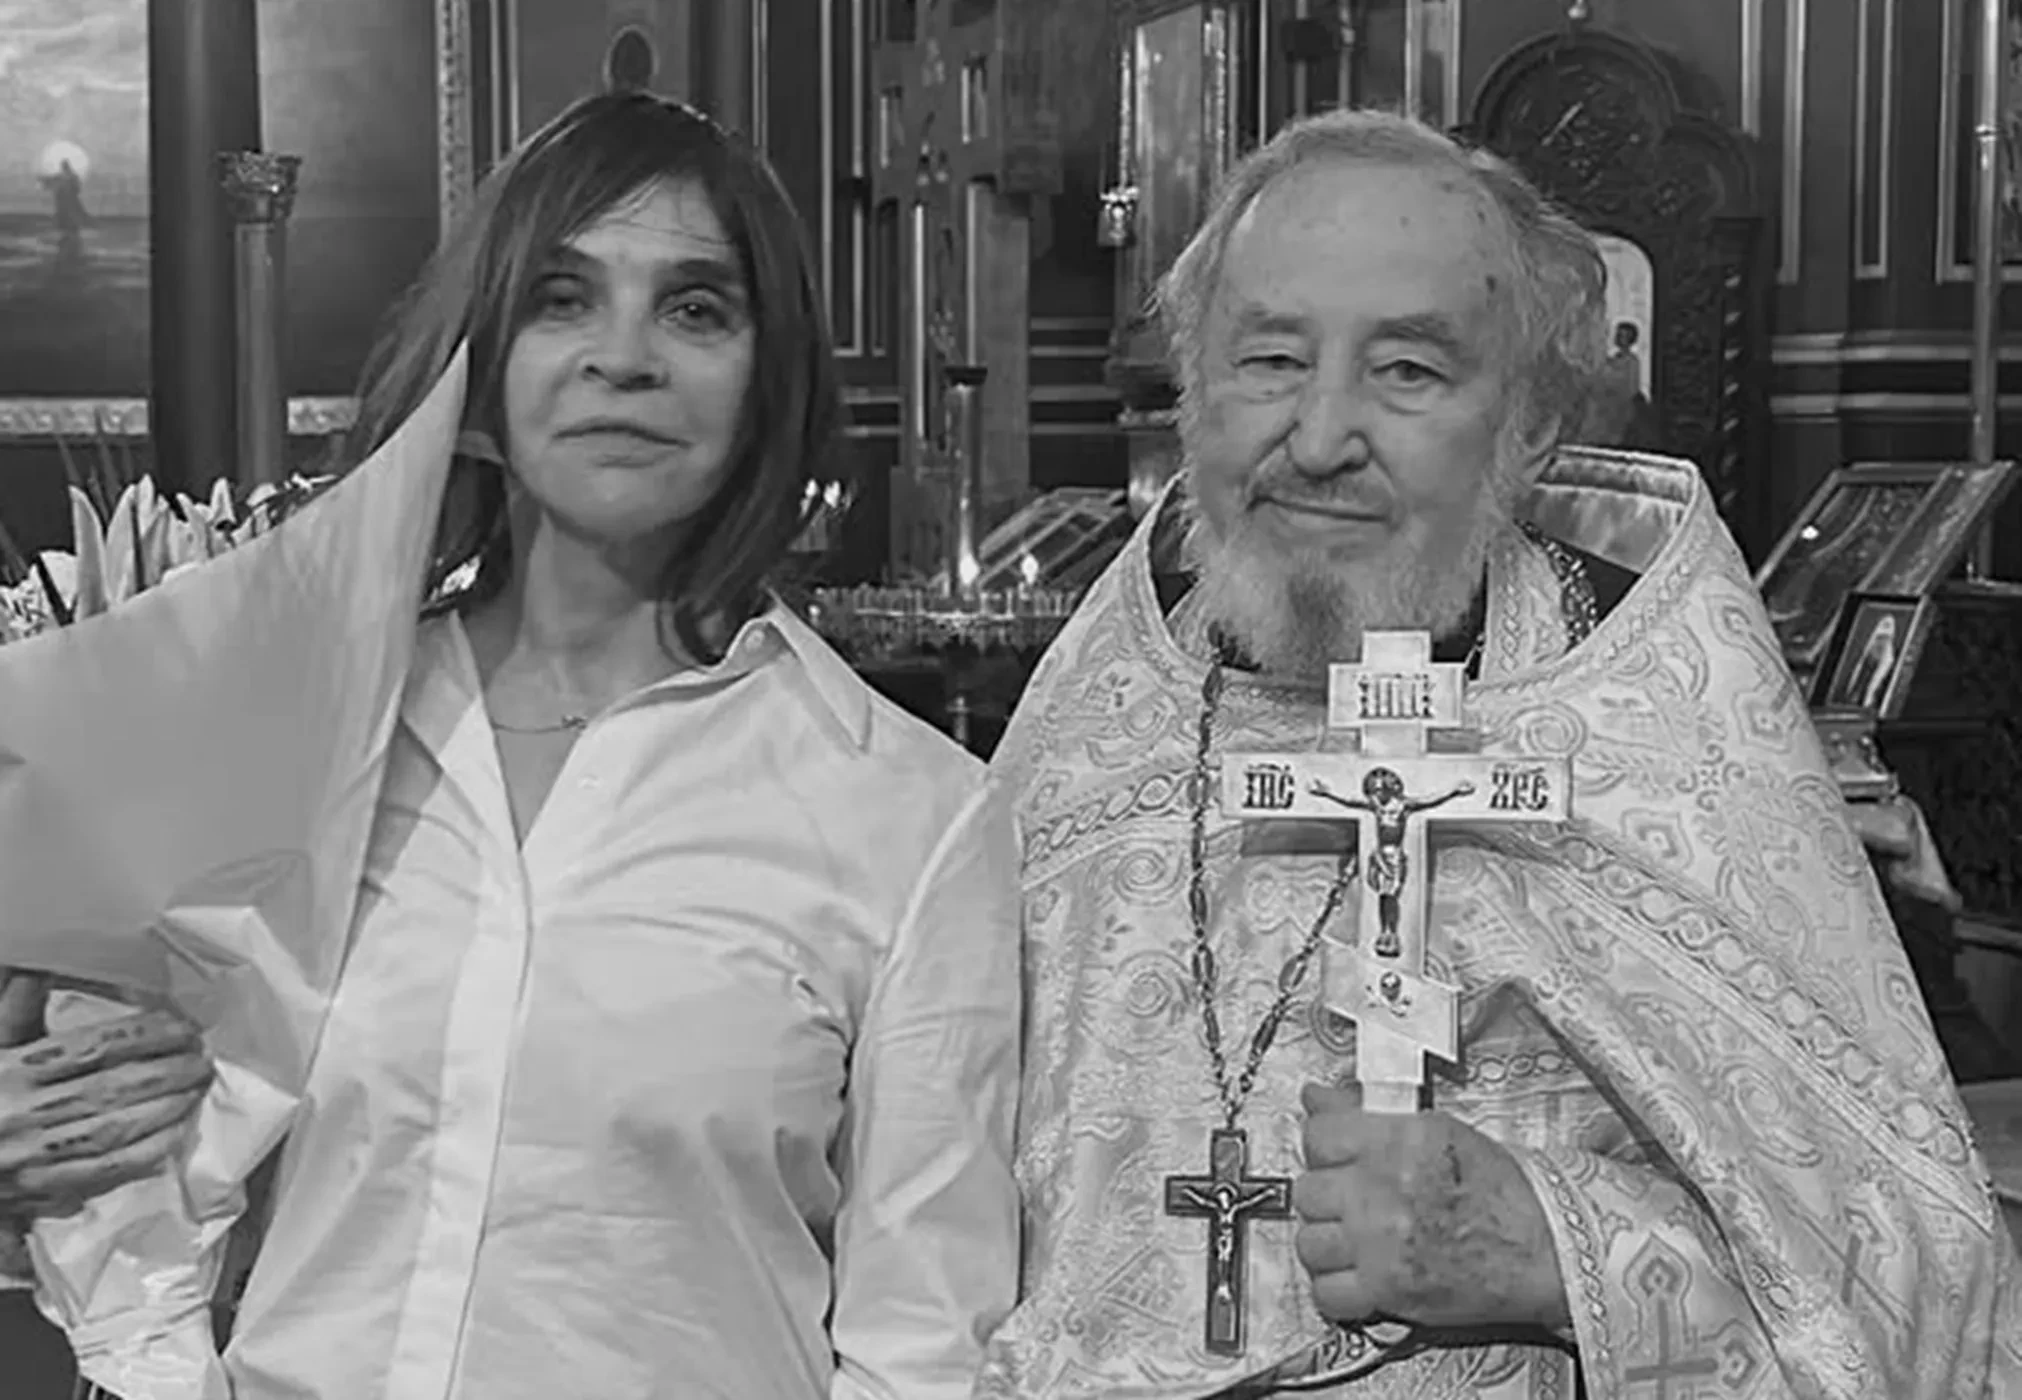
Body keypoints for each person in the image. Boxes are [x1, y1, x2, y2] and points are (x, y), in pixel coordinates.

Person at [977, 109, 2021, 1398]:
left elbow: (1921, 1283)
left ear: (1526, 430)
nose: (1320, 437)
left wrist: (1555, 1250)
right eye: (1269, 360)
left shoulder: (1658, 745)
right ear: (1194, 399)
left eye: (1408, 371)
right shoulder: (1087, 735)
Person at [31, 92, 1021, 1400]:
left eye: (695, 309)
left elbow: (925, 1346)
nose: (625, 357)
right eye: (563, 299)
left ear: (768, 377)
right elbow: (132, 1167)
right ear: (482, 357)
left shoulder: (907, 814)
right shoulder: (296, 726)